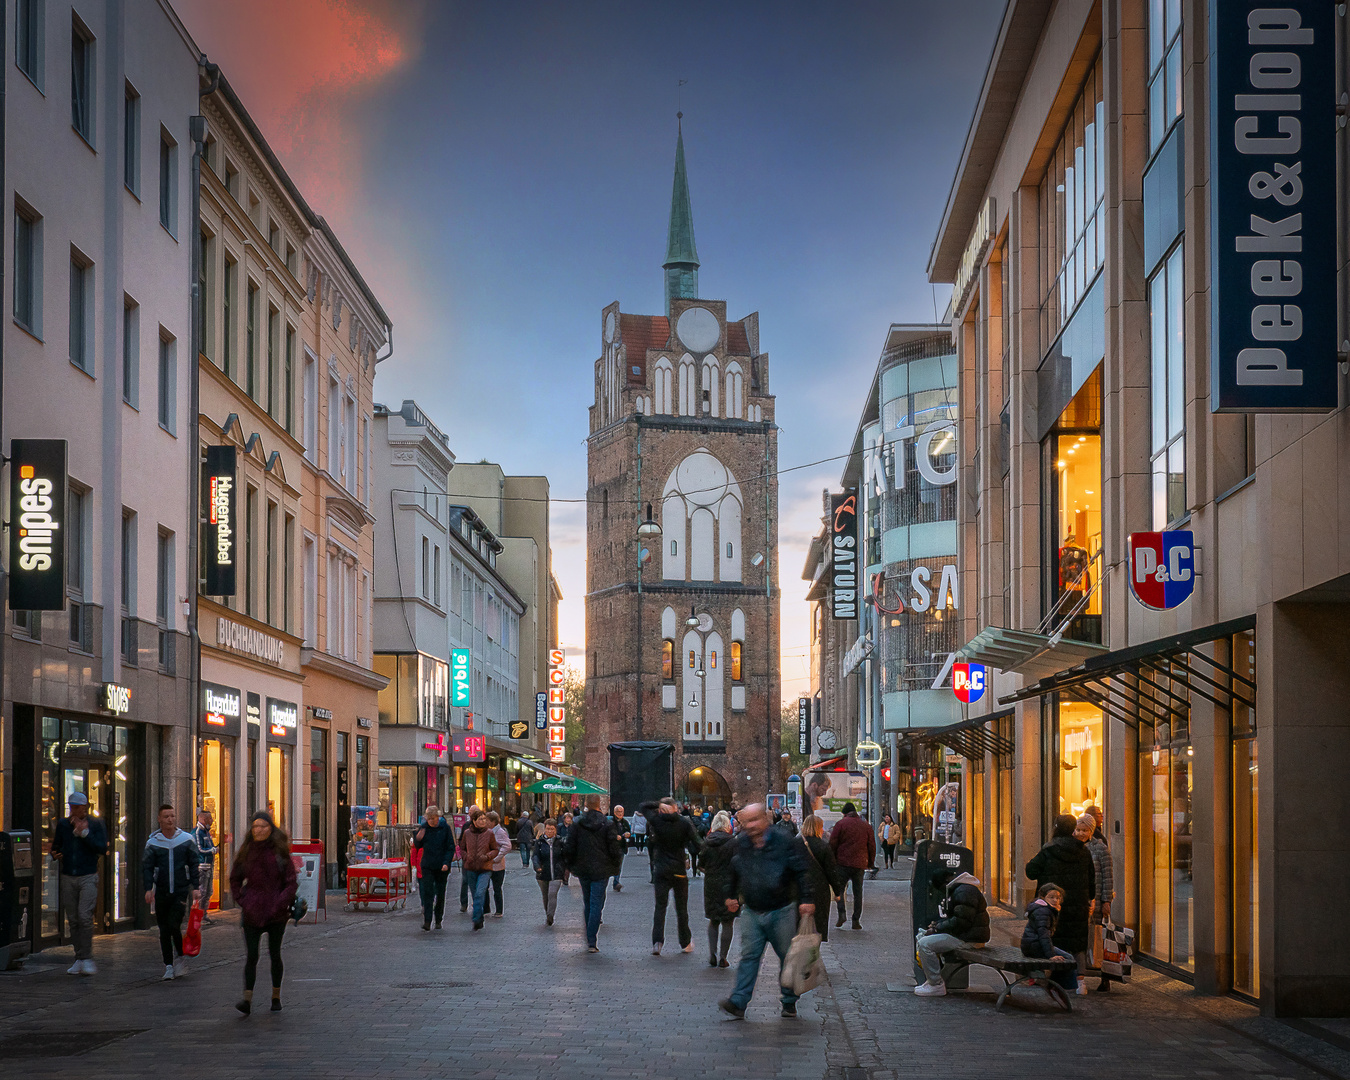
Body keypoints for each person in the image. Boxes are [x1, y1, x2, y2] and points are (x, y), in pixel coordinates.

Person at [718, 804, 814, 1020]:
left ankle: (789, 1000)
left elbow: (801, 870)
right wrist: (730, 894)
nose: (750, 826)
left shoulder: (784, 840)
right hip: (752, 909)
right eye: (746, 822)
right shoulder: (741, 843)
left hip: (781, 909)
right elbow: (734, 868)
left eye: (754, 820)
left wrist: (807, 899)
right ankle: (739, 1002)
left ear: (765, 819)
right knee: (749, 956)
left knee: (786, 957)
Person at [230, 811, 298, 1014]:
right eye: (255, 827)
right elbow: (235, 878)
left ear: (271, 829)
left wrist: (280, 902)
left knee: (275, 954)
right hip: (252, 912)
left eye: (263, 826)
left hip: (276, 913)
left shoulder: (279, 852)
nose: (259, 830)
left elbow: (291, 882)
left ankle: (276, 996)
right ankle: (247, 1000)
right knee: (252, 956)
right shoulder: (246, 851)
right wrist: (242, 900)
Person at [1025, 813, 1095, 996]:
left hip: (1052, 905)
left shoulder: (1049, 850)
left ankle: (1044, 976)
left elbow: (1031, 872)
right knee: (1077, 942)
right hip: (1077, 905)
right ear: (1073, 829)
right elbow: (1091, 879)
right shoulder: (1084, 851)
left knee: (1049, 938)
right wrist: (1090, 898)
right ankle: (1080, 982)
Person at [142, 803, 201, 981]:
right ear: (159, 819)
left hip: (180, 891)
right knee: (163, 929)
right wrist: (148, 889)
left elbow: (193, 864)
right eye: (166, 816)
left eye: (172, 816)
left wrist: (196, 887)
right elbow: (147, 867)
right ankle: (168, 965)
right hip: (161, 891)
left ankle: (180, 958)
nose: (170, 819)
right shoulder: (153, 842)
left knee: (174, 924)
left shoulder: (185, 839)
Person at [51, 791, 108, 976]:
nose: (73, 811)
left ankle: (87, 957)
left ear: (85, 808)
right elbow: (56, 846)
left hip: (88, 875)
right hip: (68, 875)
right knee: (73, 919)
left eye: (77, 807)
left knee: (84, 916)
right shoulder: (63, 825)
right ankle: (79, 957)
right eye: (71, 807)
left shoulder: (96, 824)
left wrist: (84, 834)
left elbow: (101, 847)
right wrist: (55, 854)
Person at [913, 869, 991, 996]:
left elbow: (962, 922)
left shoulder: (964, 892)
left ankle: (936, 984)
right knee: (923, 935)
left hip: (968, 939)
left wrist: (937, 928)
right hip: (966, 935)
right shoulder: (963, 889)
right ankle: (931, 980)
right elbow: (959, 919)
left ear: (946, 883)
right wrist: (937, 926)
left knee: (925, 944)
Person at [639, 797, 702, 955]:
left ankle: (657, 942)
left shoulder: (657, 821)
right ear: (676, 808)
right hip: (679, 869)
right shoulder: (684, 823)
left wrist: (658, 803)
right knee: (681, 909)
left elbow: (643, 805)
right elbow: (698, 842)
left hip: (660, 868)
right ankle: (685, 941)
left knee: (660, 907)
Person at [561, 794, 622, 953]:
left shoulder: (577, 823)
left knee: (587, 901)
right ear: (598, 804)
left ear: (586, 804)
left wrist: (570, 865)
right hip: (602, 869)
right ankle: (591, 939)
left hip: (583, 868)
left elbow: (569, 846)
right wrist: (615, 866)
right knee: (596, 903)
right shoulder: (607, 824)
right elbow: (614, 849)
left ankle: (590, 939)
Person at [1020, 883, 1078, 992]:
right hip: (1034, 946)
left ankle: (1056, 987)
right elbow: (1043, 935)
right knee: (1068, 959)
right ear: (1043, 897)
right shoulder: (1043, 911)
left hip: (1032, 945)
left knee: (1065, 958)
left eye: (1058, 897)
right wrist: (1051, 955)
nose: (1055, 900)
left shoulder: (1044, 909)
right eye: (1051, 897)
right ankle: (1059, 988)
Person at [828, 802, 876, 930]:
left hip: (842, 863)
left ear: (845, 813)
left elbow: (833, 843)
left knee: (839, 890)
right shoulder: (866, 826)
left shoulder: (840, 824)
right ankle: (856, 920)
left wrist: (832, 860)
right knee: (858, 892)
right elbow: (871, 845)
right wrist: (870, 862)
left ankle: (842, 913)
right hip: (860, 864)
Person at [798, 815, 845, 943]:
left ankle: (799, 951)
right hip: (819, 890)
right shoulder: (823, 846)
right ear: (818, 828)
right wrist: (837, 891)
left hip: (799, 889)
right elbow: (831, 871)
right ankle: (813, 951)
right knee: (818, 925)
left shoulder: (795, 844)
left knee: (799, 925)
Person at [701, 810, 738, 967]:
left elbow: (701, 865)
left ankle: (712, 953)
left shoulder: (707, 842)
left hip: (711, 884)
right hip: (729, 885)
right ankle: (723, 956)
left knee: (713, 920)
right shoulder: (733, 842)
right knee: (728, 921)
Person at [1084, 808, 1115, 992]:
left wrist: (1106, 900)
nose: (1081, 832)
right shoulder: (1077, 847)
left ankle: (1105, 976)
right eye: (1078, 829)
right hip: (1083, 903)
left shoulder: (1100, 847)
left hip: (1096, 902)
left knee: (1100, 939)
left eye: (1084, 829)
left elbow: (1107, 876)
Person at [411, 805, 454, 930]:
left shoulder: (444, 828)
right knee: (428, 893)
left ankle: (439, 919)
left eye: (434, 818)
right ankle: (427, 921)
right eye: (429, 819)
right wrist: (417, 838)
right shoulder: (424, 828)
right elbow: (418, 845)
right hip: (428, 865)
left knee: (440, 893)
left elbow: (450, 847)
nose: (432, 821)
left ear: (438, 817)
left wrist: (446, 863)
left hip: (442, 866)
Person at [532, 818, 566, 926]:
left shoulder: (560, 842)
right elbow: (535, 856)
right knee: (545, 896)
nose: (550, 831)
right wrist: (537, 866)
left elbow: (565, 856)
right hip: (542, 872)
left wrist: (564, 867)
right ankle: (548, 914)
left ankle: (550, 915)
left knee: (552, 894)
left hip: (557, 873)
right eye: (547, 829)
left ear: (555, 830)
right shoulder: (540, 842)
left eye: (552, 829)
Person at [488, 811, 512, 918]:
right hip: (488, 864)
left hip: (497, 866)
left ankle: (499, 910)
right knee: (484, 886)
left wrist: (498, 857)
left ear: (493, 822)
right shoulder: (488, 831)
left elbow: (507, 846)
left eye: (487, 821)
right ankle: (485, 908)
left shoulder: (500, 832)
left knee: (497, 888)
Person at [458, 804, 481, 913]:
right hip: (467, 857)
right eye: (470, 813)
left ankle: (477, 903)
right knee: (465, 880)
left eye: (472, 813)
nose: (470, 815)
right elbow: (461, 841)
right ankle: (464, 903)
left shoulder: (482, 826)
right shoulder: (466, 826)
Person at [608, 804, 632, 892]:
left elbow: (628, 831)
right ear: (614, 812)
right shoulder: (610, 822)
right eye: (618, 811)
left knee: (619, 865)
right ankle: (608, 881)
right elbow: (607, 833)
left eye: (621, 811)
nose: (620, 813)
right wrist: (614, 836)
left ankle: (616, 882)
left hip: (621, 846)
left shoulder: (625, 822)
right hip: (612, 847)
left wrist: (627, 834)